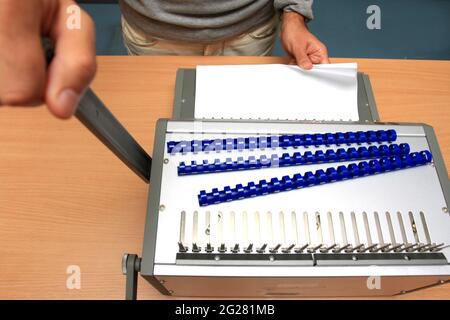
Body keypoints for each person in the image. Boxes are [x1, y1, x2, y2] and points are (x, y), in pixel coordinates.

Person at [0, 0, 328, 119]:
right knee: (159, 124)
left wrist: (293, 15)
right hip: (153, 33)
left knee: (237, 122)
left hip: (247, 30)